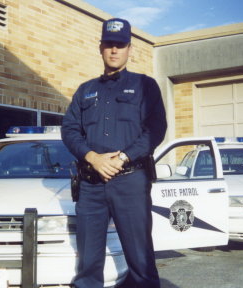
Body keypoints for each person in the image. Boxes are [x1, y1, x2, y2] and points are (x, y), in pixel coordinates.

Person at [61, 18, 167, 288]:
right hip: (91, 184)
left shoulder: (146, 85)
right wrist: (92, 158)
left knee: (141, 262)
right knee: (87, 265)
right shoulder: (86, 90)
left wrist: (122, 158)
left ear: (130, 49)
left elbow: (156, 129)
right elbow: (70, 129)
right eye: (109, 44)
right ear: (100, 48)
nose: (114, 50)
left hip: (130, 182)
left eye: (120, 45)